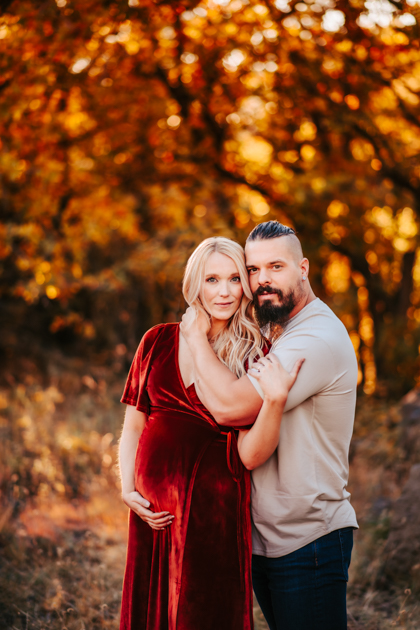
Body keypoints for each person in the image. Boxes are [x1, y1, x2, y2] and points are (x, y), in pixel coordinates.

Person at [180, 221, 359, 630]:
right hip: (264, 539)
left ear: (303, 268)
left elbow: (230, 407)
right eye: (254, 269)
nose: (263, 280)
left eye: (276, 267)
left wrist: (194, 339)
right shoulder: (270, 328)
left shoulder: (313, 338)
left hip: (307, 540)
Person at [118, 236, 303, 630]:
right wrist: (127, 488)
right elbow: (134, 423)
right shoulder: (156, 340)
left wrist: (199, 340)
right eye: (212, 279)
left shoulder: (257, 352)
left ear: (246, 287)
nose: (224, 292)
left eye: (235, 279)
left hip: (214, 511)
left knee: (204, 613)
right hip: (152, 514)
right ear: (194, 285)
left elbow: (252, 442)